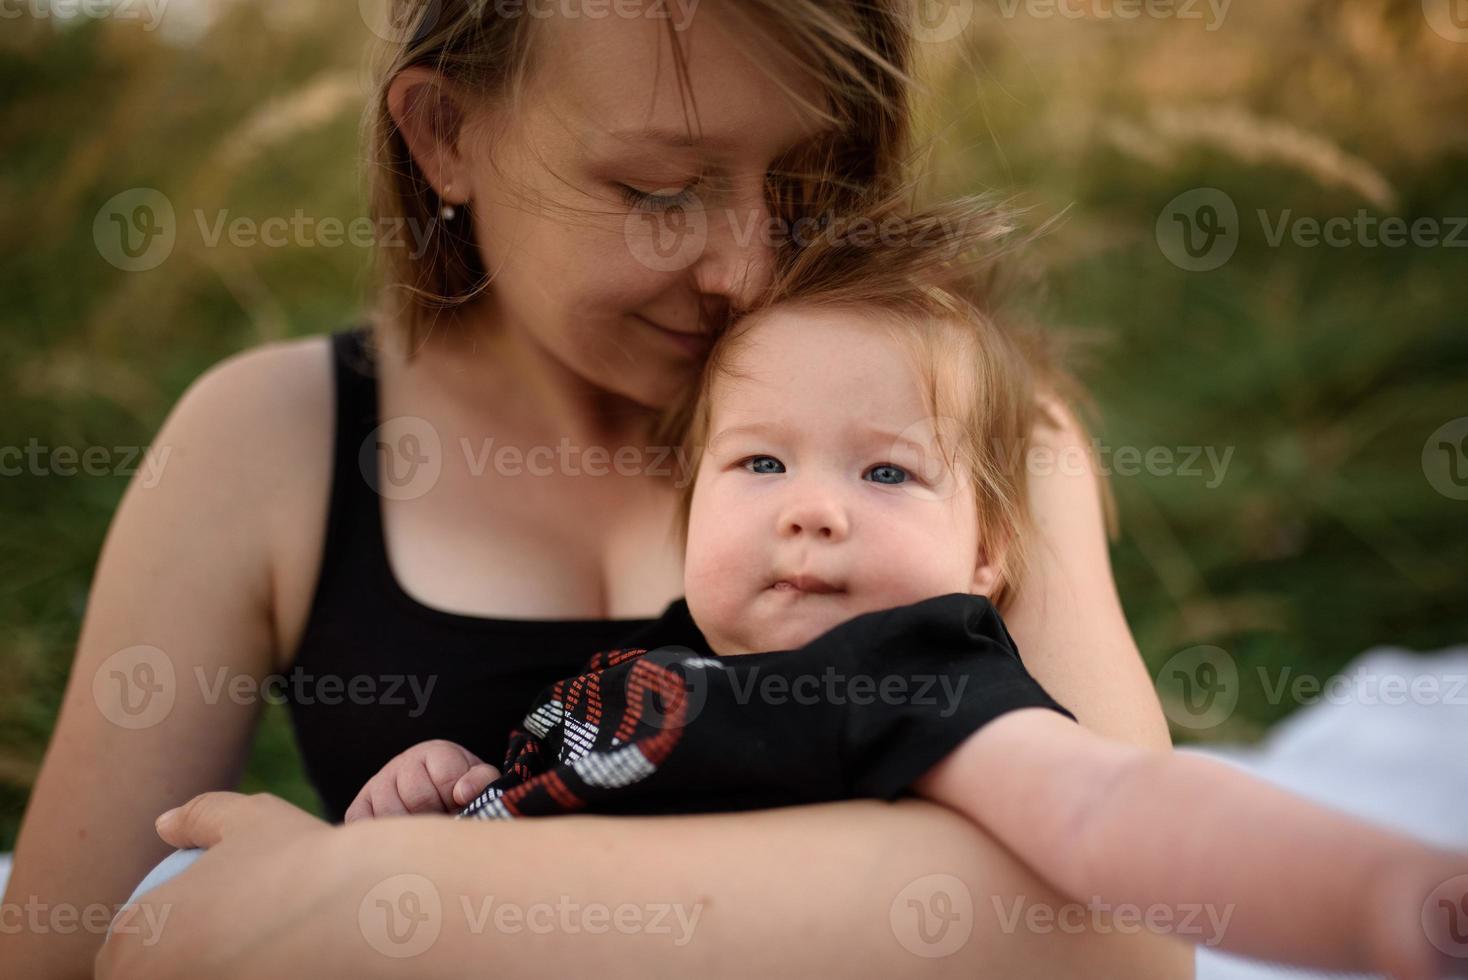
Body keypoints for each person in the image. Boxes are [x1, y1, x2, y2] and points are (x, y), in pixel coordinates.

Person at [7, 3, 1190, 978]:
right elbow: (70, 947)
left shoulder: (958, 441)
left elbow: (1132, 930)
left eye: (806, 183)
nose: (747, 267)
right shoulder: (271, 441)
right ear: (443, 135)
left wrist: (370, 901)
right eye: (661, 189)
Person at [335, 204, 1465, 980]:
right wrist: (452, 789)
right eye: (760, 462)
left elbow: (1114, 809)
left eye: (886, 471)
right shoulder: (659, 664)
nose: (810, 508)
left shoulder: (914, 675)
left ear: (987, 558)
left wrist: (1387, 897)